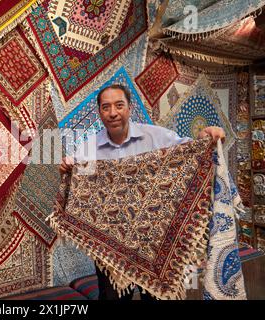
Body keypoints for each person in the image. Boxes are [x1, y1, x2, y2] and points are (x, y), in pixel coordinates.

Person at [58, 84, 225, 301]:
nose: (113, 113)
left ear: (129, 108)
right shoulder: (89, 148)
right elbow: (81, 185)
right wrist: (68, 168)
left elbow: (191, 153)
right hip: (111, 245)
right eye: (106, 107)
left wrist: (206, 136)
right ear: (99, 113)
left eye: (119, 105)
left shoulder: (156, 137)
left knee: (157, 297)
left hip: (156, 243)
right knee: (112, 298)